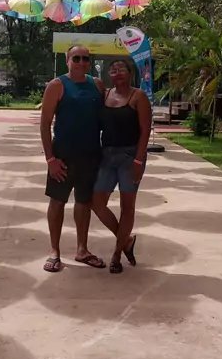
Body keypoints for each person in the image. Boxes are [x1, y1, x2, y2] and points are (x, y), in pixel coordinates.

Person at [40, 45, 106, 273]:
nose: (81, 62)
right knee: (57, 201)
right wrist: (50, 159)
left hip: (91, 154)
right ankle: (54, 251)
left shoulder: (97, 85)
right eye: (76, 58)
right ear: (67, 61)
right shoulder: (56, 86)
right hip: (63, 155)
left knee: (84, 202)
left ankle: (82, 250)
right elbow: (45, 124)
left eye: (85, 58)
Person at [91, 58, 152, 273]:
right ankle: (126, 241)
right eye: (113, 70)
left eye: (121, 69)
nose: (117, 72)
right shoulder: (105, 94)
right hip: (106, 155)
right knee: (96, 202)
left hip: (130, 156)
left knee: (127, 207)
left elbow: (145, 130)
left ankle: (117, 254)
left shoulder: (139, 96)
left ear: (130, 73)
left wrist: (138, 160)